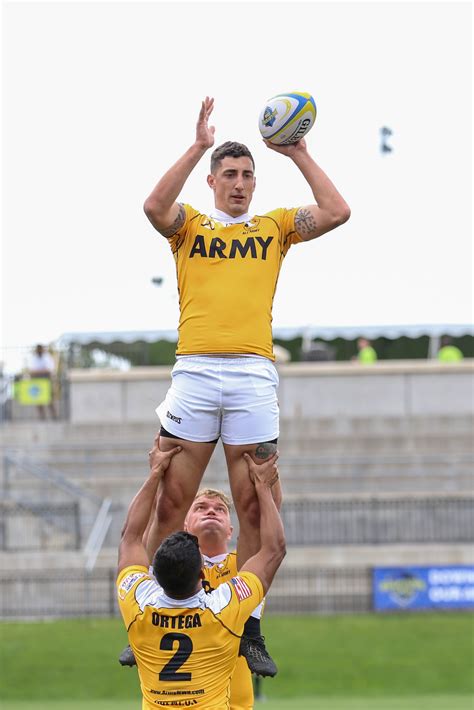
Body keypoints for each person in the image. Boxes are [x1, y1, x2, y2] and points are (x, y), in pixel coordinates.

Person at [143, 96, 349, 669]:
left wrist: (299, 153)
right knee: (172, 500)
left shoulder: (274, 226)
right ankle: (157, 609)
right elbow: (154, 205)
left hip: (253, 374)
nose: (239, 183)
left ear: (256, 183)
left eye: (247, 175)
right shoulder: (190, 225)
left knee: (255, 505)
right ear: (211, 181)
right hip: (195, 370)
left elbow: (336, 211)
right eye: (229, 175)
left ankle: (250, 625)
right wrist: (196, 146)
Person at [117, 434, 285, 709]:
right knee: (165, 510)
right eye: (201, 507)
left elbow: (130, 538)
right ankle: (250, 634)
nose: (211, 512)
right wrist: (265, 473)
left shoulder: (142, 597)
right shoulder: (223, 603)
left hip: (223, 687)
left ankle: (251, 636)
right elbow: (273, 548)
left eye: (220, 509)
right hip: (218, 690)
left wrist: (156, 472)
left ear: (231, 530)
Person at [28, 344, 57, 419]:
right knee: (38, 400)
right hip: (37, 382)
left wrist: (39, 372)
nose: (39, 351)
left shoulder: (47, 357)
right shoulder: (33, 358)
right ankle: (42, 416)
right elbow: (31, 371)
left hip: (47, 381)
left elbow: (50, 370)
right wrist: (43, 371)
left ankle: (54, 416)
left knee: (50, 399)